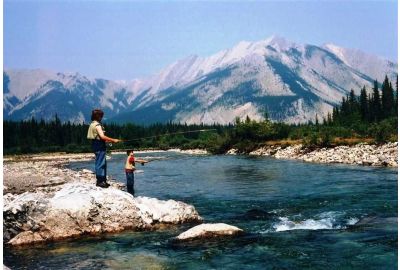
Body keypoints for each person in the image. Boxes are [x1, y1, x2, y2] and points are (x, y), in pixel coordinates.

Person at [87, 109, 121, 188]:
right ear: (98, 116)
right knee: (101, 163)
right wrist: (113, 140)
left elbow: (98, 137)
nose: (102, 117)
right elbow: (102, 136)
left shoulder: (92, 124)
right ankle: (100, 182)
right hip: (99, 145)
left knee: (101, 162)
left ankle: (103, 180)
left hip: (95, 144)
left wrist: (108, 141)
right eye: (101, 116)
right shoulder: (97, 125)